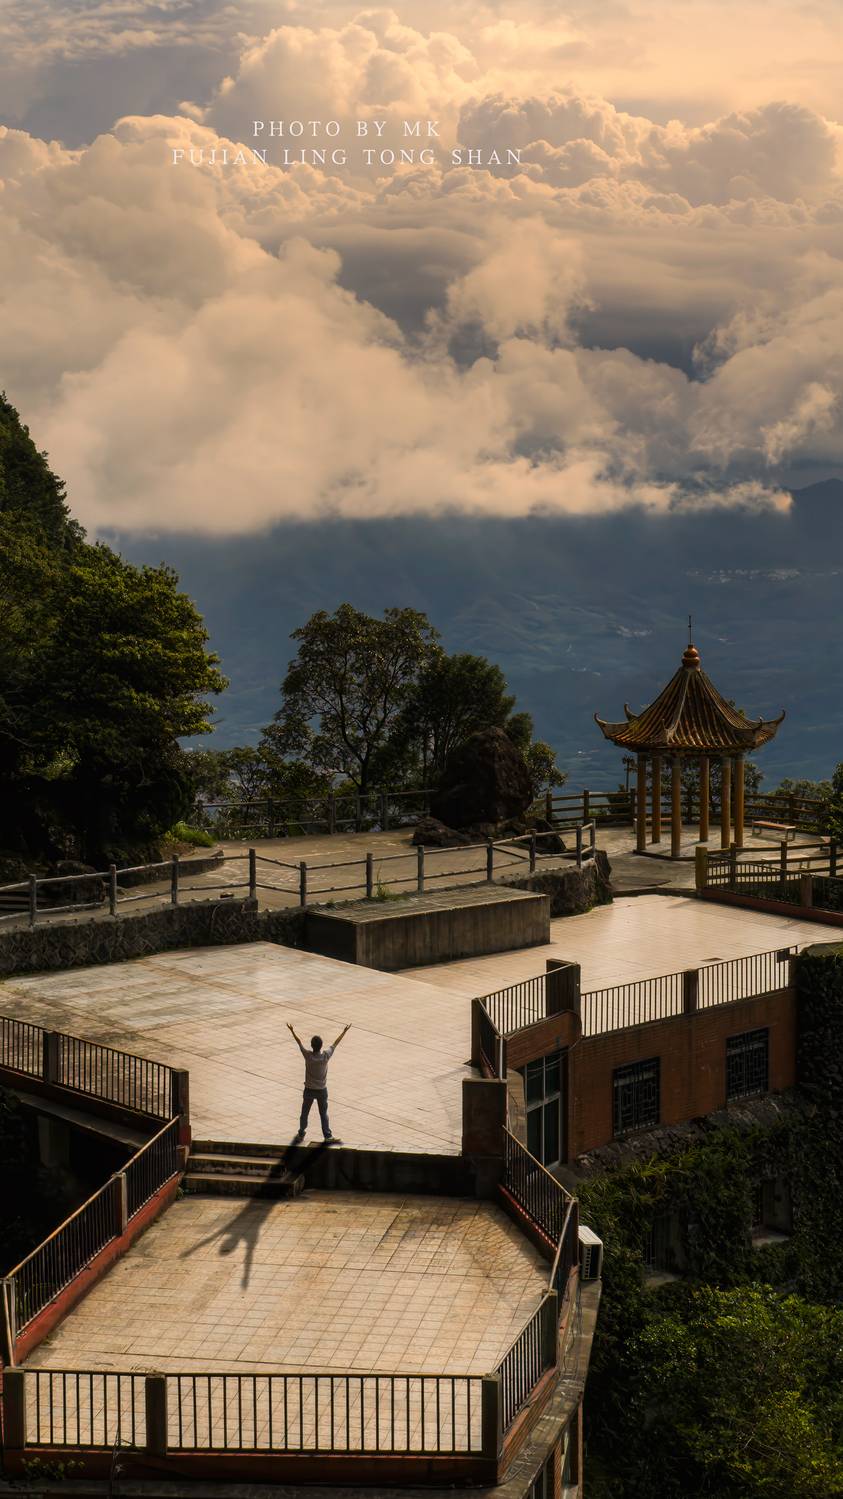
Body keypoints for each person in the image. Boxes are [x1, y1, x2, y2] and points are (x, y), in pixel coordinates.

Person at [287, 1022, 350, 1143]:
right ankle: (327, 1136)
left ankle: (301, 1133)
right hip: (322, 1090)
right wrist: (344, 1031)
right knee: (323, 1114)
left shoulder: (308, 1056)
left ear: (311, 1046)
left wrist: (292, 1031)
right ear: (321, 1046)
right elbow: (335, 1044)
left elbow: (299, 1042)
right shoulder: (326, 1056)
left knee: (304, 1113)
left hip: (309, 1090)